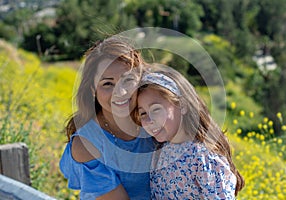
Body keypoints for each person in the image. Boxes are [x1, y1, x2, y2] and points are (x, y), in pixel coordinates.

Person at [59, 36, 155, 200]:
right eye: (107, 84)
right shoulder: (86, 144)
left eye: (128, 80)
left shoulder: (153, 123)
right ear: (93, 89)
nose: (121, 92)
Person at [135, 65, 245, 199]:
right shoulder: (159, 152)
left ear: (182, 105)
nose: (149, 120)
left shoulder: (203, 157)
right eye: (143, 113)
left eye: (156, 109)